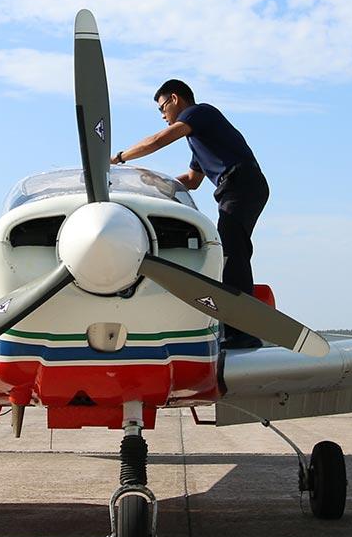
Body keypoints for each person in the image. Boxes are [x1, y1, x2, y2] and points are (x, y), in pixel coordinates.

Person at [111, 79, 269, 349]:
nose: (163, 116)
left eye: (163, 108)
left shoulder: (199, 113)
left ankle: (243, 330)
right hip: (237, 188)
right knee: (231, 251)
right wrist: (150, 182)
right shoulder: (198, 138)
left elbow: (159, 140)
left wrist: (119, 158)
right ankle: (236, 325)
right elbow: (192, 180)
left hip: (242, 185)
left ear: (175, 99)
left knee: (232, 253)